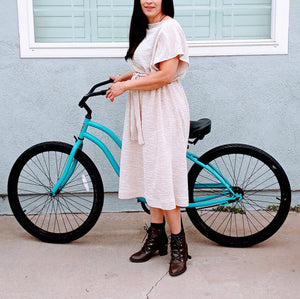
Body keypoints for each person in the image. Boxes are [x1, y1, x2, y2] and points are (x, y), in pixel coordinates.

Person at [106, 0, 191, 277]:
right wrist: (125, 76)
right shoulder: (147, 28)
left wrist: (125, 86)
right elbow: (149, 68)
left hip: (163, 108)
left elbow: (166, 75)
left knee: (163, 175)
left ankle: (179, 244)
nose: (149, 0)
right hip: (144, 108)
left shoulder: (169, 28)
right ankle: (157, 238)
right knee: (151, 174)